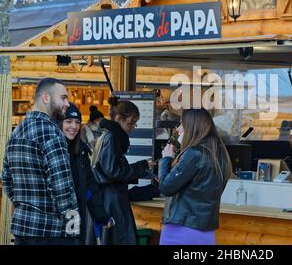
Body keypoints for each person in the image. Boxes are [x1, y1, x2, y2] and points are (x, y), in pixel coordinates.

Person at [2, 78, 80, 245]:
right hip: (52, 232)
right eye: (63, 98)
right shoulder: (53, 134)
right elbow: (62, 188)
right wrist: (73, 225)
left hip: (23, 229)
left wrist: (26, 206)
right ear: (46, 98)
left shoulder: (17, 133)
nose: (67, 104)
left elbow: (7, 180)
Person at [158, 108, 232, 245]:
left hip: (180, 229)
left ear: (192, 127)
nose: (178, 129)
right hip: (206, 230)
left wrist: (166, 159)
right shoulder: (220, 155)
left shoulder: (194, 154)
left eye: (181, 124)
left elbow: (165, 187)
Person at [92, 96, 152, 245]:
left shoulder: (106, 135)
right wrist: (142, 166)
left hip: (109, 199)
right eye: (131, 123)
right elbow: (113, 171)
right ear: (119, 118)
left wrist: (142, 168)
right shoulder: (111, 137)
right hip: (111, 201)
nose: (132, 128)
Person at [60, 103, 113, 245]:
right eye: (68, 121)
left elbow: (90, 186)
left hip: (76, 218)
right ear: (60, 123)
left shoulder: (81, 151)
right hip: (55, 221)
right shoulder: (54, 149)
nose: (73, 126)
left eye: (77, 122)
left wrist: (101, 216)